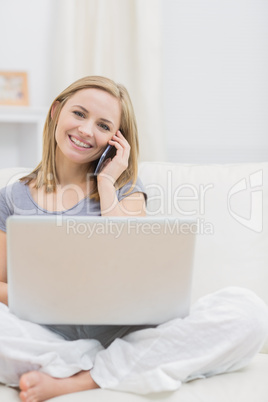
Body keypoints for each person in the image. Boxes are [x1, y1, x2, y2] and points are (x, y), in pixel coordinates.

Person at [0, 76, 267, 402]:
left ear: (116, 140)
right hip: (49, 334)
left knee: (247, 311)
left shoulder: (125, 188)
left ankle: (85, 378)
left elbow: (130, 265)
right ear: (56, 111)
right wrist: (42, 297)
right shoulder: (12, 197)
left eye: (103, 125)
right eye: (80, 114)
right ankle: (108, 366)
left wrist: (107, 184)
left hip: (125, 334)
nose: (86, 130)